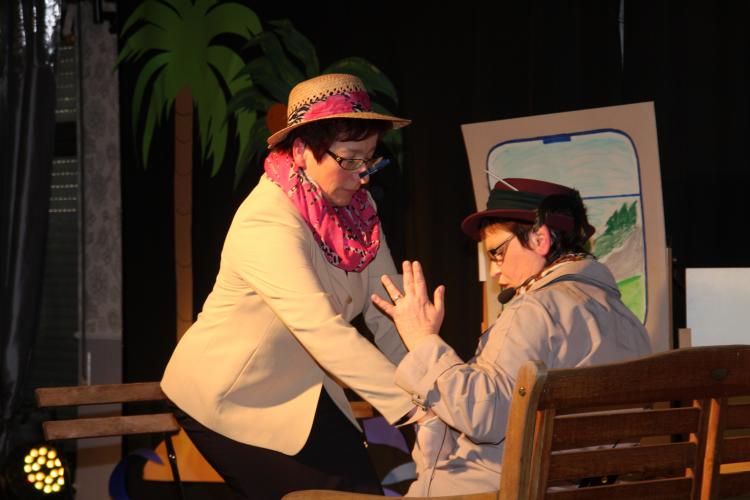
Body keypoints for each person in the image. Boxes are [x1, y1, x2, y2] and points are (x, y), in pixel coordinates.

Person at [161, 74, 415, 499]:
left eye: (370, 159)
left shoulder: (359, 210)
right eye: (349, 159)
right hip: (228, 395)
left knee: (361, 493)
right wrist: (415, 409)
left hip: (300, 387)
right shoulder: (267, 219)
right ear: (301, 151)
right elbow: (322, 329)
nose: (363, 175)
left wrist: (430, 385)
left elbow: (388, 309)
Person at [372, 178, 653, 496]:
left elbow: (483, 416)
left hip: (496, 490)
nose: (495, 271)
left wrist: (423, 339)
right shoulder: (631, 325)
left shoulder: (535, 310)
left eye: (497, 253)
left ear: (540, 239)